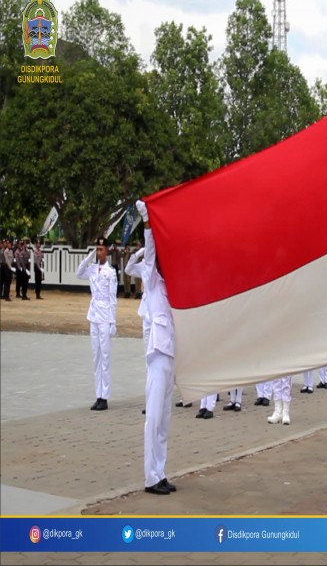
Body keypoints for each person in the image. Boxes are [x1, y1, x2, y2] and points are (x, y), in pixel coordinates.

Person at [135, 199, 177, 495]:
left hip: (171, 354)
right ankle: (150, 477)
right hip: (158, 355)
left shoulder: (170, 285)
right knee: (154, 417)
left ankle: (160, 471)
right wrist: (149, 222)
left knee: (164, 419)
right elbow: (149, 255)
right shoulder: (151, 281)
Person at [76, 237, 118, 411]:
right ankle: (98, 395)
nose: (99, 252)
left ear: (107, 251)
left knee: (106, 358)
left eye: (101, 249)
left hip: (105, 317)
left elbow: (113, 298)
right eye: (97, 249)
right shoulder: (92, 269)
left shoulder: (111, 272)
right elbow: (78, 273)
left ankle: (105, 397)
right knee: (96, 357)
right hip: (93, 315)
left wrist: (113, 321)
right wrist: (89, 255)